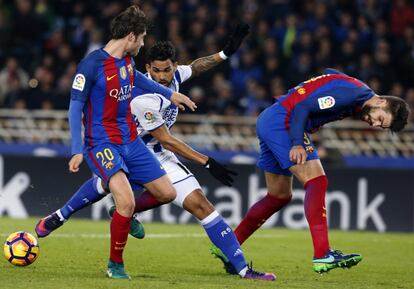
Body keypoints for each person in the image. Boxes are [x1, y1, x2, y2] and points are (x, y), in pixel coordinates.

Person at [36, 24, 276, 281]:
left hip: (159, 156)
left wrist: (224, 54)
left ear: (174, 66)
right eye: (156, 70)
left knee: (200, 205)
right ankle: (65, 216)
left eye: (168, 70)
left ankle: (243, 270)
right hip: (134, 148)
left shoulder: (174, 77)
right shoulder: (143, 99)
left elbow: (195, 67)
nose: (162, 76)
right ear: (147, 68)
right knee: (106, 185)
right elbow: (166, 139)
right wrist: (207, 162)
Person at [36, 5, 196, 280]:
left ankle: (68, 215)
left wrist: (171, 96)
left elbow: (140, 83)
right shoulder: (91, 65)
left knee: (166, 193)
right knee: (126, 201)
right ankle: (115, 265)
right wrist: (76, 150)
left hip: (130, 140)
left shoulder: (127, 62)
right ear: (132, 36)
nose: (144, 43)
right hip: (102, 143)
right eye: (143, 37)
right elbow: (75, 108)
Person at [212, 68, 411, 274]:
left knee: (278, 196)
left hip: (271, 119)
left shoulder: (356, 93)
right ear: (381, 102)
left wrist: (315, 87)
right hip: (285, 122)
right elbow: (303, 106)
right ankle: (323, 254)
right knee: (317, 181)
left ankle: (229, 247)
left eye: (381, 126)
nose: (375, 124)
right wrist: (298, 143)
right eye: (380, 119)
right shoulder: (353, 94)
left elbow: (330, 73)